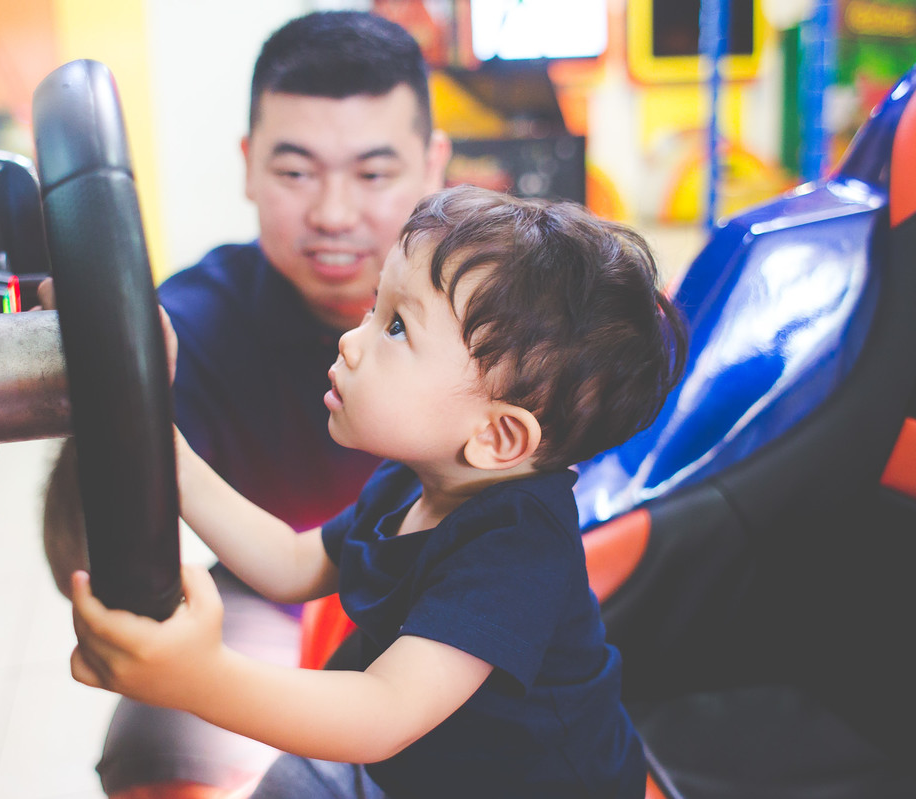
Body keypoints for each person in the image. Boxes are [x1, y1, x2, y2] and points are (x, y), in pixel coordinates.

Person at [67, 185, 690, 798]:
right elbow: (291, 565)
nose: (352, 339)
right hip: (410, 767)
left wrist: (200, 679)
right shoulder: (412, 478)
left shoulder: (516, 552)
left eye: (395, 328)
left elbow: (384, 711)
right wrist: (165, 453)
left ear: (497, 436)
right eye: (375, 307)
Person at [41, 10, 451, 798]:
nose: (334, 214)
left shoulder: (502, 304)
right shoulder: (187, 326)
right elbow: (88, 554)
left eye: (373, 174)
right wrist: (104, 399)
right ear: (248, 165)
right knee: (162, 764)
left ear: (433, 163)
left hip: (469, 591)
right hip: (275, 592)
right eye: (296, 172)